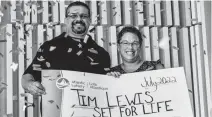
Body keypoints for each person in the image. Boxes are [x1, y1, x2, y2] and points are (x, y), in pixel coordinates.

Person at [22, 1, 111, 96]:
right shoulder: (49, 47)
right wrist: (29, 84)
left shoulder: (102, 54)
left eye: (84, 16)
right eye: (73, 16)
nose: (79, 19)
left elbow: (106, 86)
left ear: (89, 21)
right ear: (66, 20)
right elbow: (28, 75)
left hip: (91, 109)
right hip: (55, 109)